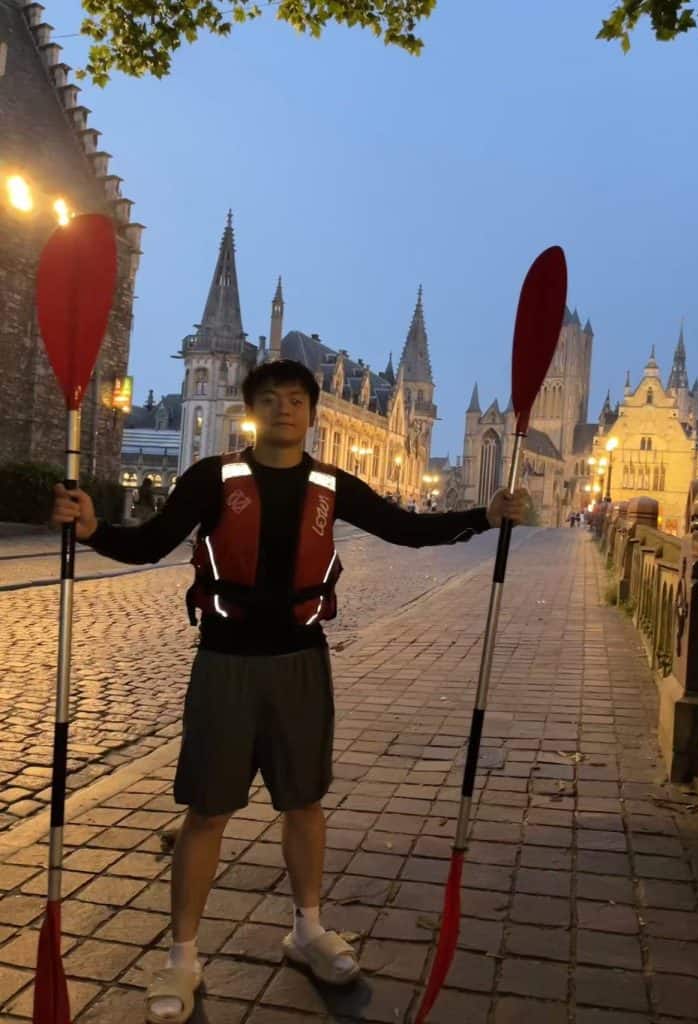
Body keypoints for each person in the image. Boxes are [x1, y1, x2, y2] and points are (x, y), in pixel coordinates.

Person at [52, 359, 526, 1024]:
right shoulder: (212, 479)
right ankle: (182, 956)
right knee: (208, 811)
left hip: (302, 661)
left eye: (297, 400)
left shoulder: (332, 485)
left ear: (312, 413)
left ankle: (307, 930)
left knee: (303, 802)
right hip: (225, 661)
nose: (285, 410)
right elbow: (152, 542)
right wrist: (93, 529)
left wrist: (484, 514)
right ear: (253, 411)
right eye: (271, 399)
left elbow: (405, 529)